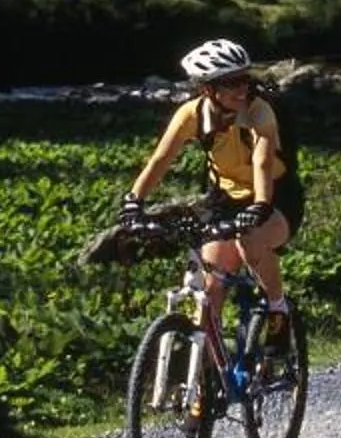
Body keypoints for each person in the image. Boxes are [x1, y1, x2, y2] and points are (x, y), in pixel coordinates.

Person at [121, 38, 298, 355]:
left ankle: (277, 310)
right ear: (207, 89)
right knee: (209, 289)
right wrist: (133, 200)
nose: (242, 89)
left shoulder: (260, 112)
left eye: (245, 79)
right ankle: (203, 384)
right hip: (225, 198)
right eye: (231, 84)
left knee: (250, 241)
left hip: (275, 196)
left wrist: (259, 206)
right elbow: (161, 159)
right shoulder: (191, 115)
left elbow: (262, 161)